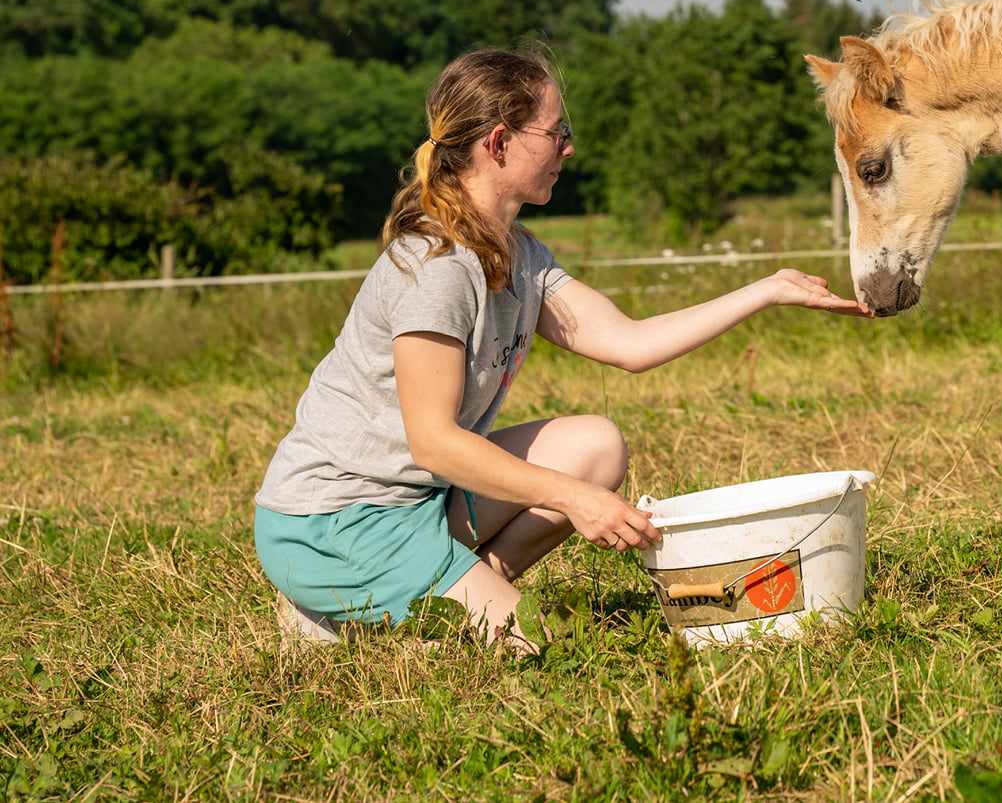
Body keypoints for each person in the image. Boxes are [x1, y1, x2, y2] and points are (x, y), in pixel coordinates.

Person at [252, 48, 867, 649]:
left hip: (420, 501)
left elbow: (629, 343)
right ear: (498, 143)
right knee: (540, 645)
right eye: (556, 131)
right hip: (335, 522)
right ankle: (357, 614)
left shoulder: (519, 253)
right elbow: (432, 441)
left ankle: (463, 593)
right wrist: (573, 498)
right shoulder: (437, 266)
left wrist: (768, 290)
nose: (568, 148)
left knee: (595, 447)